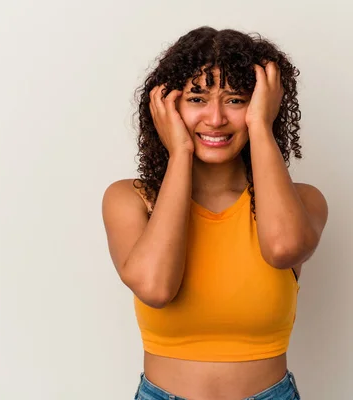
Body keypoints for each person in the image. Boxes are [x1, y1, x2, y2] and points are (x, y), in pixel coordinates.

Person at [102, 26, 328, 400]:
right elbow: (156, 288)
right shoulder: (131, 199)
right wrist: (179, 154)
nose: (216, 118)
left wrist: (260, 128)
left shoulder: (303, 201)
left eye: (236, 100)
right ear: (166, 107)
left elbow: (284, 248)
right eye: (197, 99)